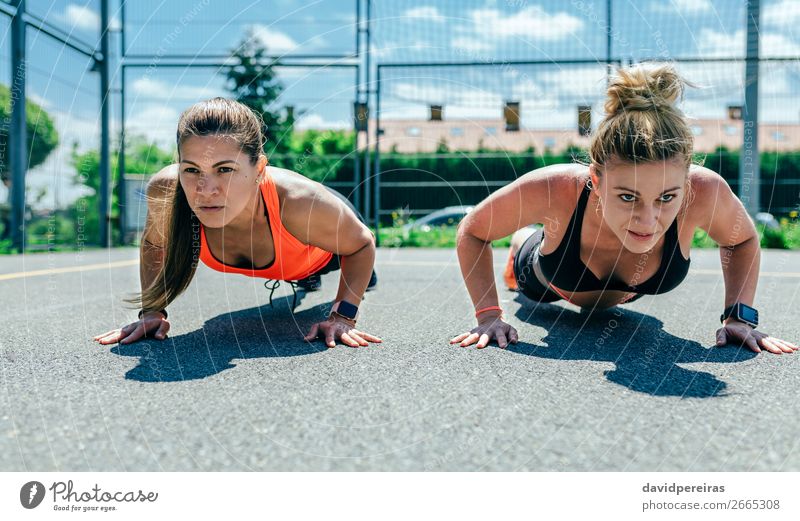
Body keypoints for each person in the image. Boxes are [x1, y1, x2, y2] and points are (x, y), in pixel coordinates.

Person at [450, 63, 797, 355]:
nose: (648, 222)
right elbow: (474, 230)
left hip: (625, 298)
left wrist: (739, 316)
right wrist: (489, 314)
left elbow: (741, 240)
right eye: (628, 197)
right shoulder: (556, 188)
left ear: (686, 183)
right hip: (547, 282)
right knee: (528, 264)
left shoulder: (703, 191)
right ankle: (522, 243)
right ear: (596, 180)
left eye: (666, 198)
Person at [94, 97, 380, 348]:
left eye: (225, 169)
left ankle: (327, 276)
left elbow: (362, 244)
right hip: (291, 261)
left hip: (326, 248)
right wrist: (151, 312)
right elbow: (155, 245)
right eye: (192, 169)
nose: (206, 189)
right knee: (297, 274)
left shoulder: (302, 203)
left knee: (358, 270)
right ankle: (304, 277)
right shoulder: (167, 192)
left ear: (258, 169)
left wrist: (343, 316)